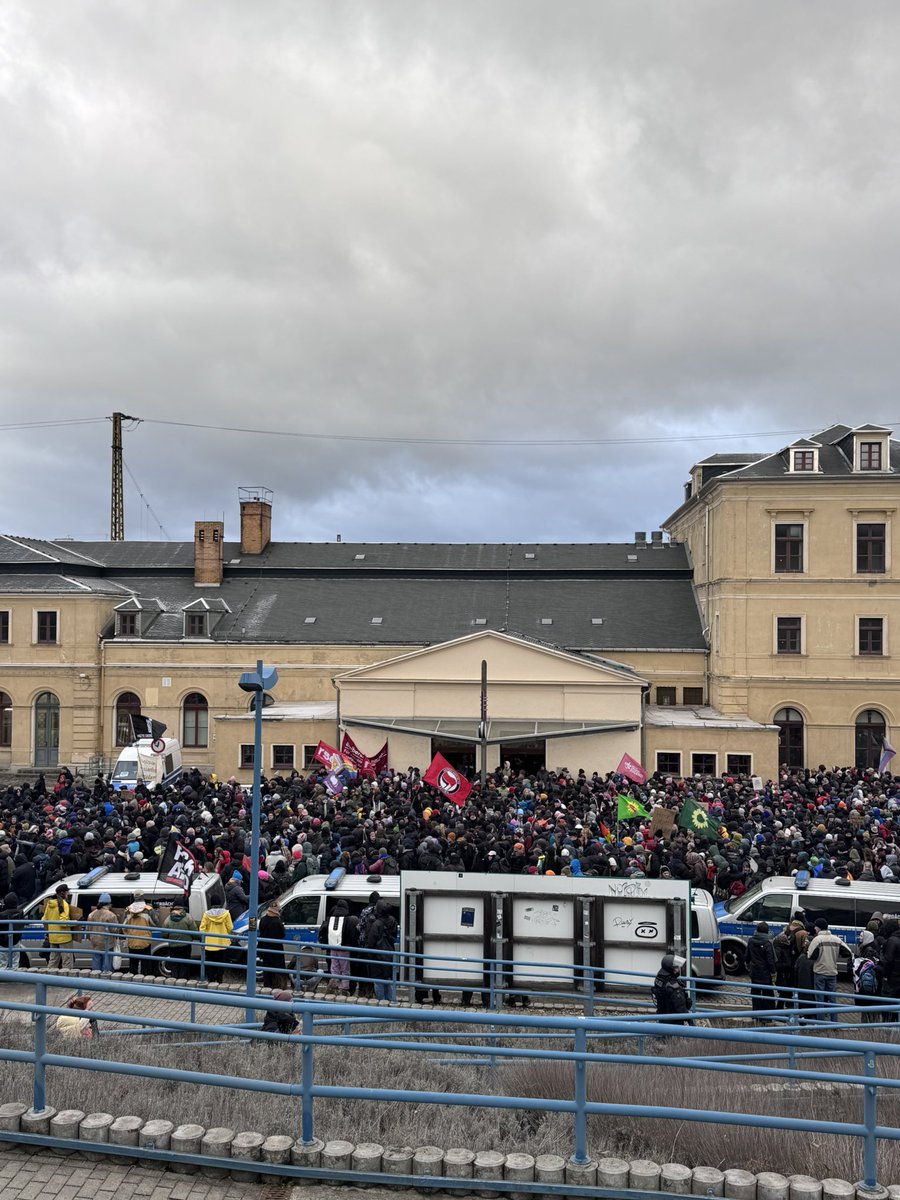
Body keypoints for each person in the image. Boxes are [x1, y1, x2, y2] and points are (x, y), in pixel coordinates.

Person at [807, 918, 845, 1025]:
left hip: (820, 972)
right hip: (832, 973)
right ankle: (834, 1023)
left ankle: (820, 1023)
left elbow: (810, 955)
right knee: (833, 999)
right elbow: (847, 952)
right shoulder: (836, 939)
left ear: (818, 928)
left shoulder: (817, 939)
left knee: (820, 999)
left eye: (815, 926)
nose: (814, 928)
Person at [319, 899, 357, 995]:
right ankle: (344, 989)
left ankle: (334, 987)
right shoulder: (348, 919)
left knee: (334, 968)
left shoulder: (330, 919)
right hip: (344, 949)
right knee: (345, 970)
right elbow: (352, 935)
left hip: (332, 948)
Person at [366, 899, 398, 1002]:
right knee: (388, 980)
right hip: (389, 954)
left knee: (378, 982)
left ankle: (381, 1002)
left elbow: (371, 943)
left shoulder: (376, 924)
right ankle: (391, 1001)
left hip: (377, 956)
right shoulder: (393, 920)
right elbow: (393, 936)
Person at [746, 922, 777, 1022]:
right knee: (768, 994)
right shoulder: (768, 943)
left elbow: (747, 956)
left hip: (754, 972)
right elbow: (770, 960)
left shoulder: (751, 941)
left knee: (755, 994)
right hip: (765, 973)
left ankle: (756, 1014)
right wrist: (773, 971)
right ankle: (767, 1017)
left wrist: (747, 965)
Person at [651, 954, 693, 1026]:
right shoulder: (674, 987)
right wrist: (690, 1021)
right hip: (674, 1021)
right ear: (670, 969)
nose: (678, 969)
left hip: (661, 1015)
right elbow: (681, 1009)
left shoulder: (659, 979)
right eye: (676, 967)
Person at [163, 900, 199, 979]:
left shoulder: (168, 919)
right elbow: (194, 932)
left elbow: (164, 934)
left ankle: (175, 981)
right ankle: (184, 982)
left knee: (174, 965)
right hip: (185, 945)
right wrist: (197, 938)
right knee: (185, 964)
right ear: (182, 907)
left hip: (173, 946)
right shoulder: (188, 917)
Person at [853, 930, 883, 1023]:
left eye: (861, 936)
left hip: (868, 988)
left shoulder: (868, 950)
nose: (859, 938)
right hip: (872, 988)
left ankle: (868, 1032)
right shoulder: (868, 949)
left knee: (868, 1014)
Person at [42, 883, 73, 970]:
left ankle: (50, 979)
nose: (68, 894)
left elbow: (44, 920)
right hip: (64, 937)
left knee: (53, 960)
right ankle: (67, 980)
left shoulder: (49, 904)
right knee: (67, 960)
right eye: (67, 892)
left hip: (53, 936)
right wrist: (75, 923)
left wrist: (49, 931)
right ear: (63, 893)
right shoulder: (64, 904)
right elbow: (63, 922)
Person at [199, 904, 233, 982]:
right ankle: (219, 979)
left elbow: (202, 929)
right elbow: (230, 927)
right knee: (221, 963)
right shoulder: (226, 914)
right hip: (222, 943)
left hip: (209, 944)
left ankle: (211, 980)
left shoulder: (206, 914)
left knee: (210, 963)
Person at [258, 902, 288, 989]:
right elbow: (282, 935)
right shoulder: (278, 922)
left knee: (267, 970)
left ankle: (267, 987)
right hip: (276, 950)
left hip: (265, 949)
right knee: (277, 970)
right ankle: (277, 987)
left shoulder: (263, 920)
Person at [86, 892, 118, 973]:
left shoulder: (91, 914)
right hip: (107, 943)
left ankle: (96, 981)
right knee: (107, 965)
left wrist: (90, 938)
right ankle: (105, 981)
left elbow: (88, 929)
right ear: (109, 903)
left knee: (96, 964)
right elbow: (114, 930)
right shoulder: (111, 915)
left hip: (95, 943)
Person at [122, 900, 156, 976]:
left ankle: (133, 980)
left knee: (133, 963)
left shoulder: (128, 910)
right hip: (145, 942)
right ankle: (145, 980)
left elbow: (123, 927)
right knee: (145, 964)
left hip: (132, 941)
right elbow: (155, 924)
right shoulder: (148, 910)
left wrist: (128, 935)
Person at [0, 891, 24, 969]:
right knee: (15, 961)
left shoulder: (2, 914)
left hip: (3, 941)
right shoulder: (20, 912)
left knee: (2, 963)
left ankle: (3, 979)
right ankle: (14, 979)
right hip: (16, 940)